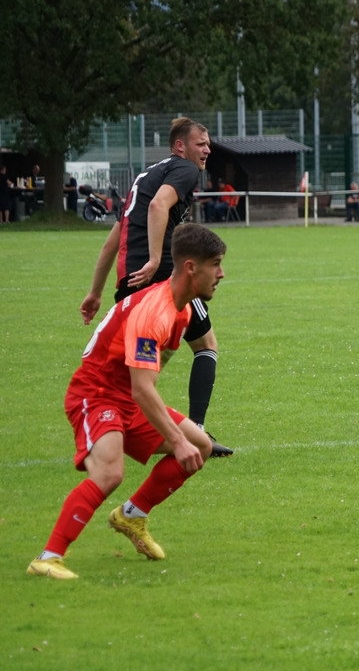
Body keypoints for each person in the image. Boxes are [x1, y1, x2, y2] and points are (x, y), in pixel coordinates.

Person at [27, 223, 227, 580]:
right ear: (191, 267)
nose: (221, 273)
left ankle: (132, 515)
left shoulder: (182, 311)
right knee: (110, 472)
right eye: (216, 264)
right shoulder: (155, 313)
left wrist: (181, 437)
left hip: (127, 396)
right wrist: (176, 440)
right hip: (96, 394)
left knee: (201, 445)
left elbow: (143, 383)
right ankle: (47, 558)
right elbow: (142, 389)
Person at [79, 116, 232, 457]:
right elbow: (159, 205)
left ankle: (115, 423)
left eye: (208, 144)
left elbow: (113, 240)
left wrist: (95, 291)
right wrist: (153, 260)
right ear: (180, 146)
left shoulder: (145, 176)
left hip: (131, 281)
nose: (207, 150)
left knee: (138, 366)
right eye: (200, 144)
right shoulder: (184, 169)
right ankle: (196, 433)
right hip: (160, 277)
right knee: (206, 345)